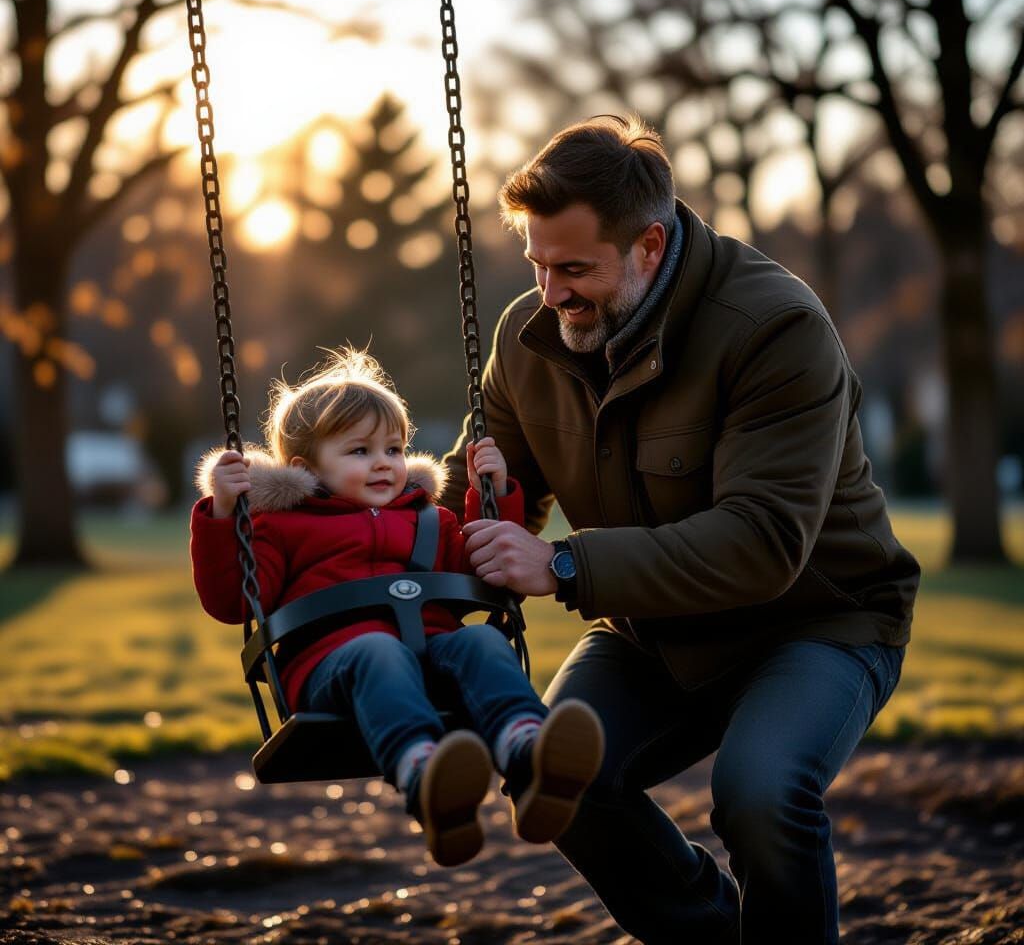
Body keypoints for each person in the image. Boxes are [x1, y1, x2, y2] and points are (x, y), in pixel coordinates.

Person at [439, 116, 920, 942]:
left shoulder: (774, 328)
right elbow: (473, 498)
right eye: (537, 263)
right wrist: (360, 539)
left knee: (761, 793)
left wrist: (558, 566)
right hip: (652, 631)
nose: (550, 292)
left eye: (575, 269)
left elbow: (763, 541)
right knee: (553, 775)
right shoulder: (531, 339)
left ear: (650, 248)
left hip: (817, 621)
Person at [189, 349, 604, 868]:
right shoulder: (280, 526)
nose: (384, 462)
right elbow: (233, 602)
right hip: (333, 672)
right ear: (305, 468)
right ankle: (426, 776)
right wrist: (225, 517)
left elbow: (492, 574)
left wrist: (491, 495)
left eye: (394, 447)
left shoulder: (430, 521)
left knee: (480, 640)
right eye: (359, 450)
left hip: (431, 657)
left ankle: (530, 754)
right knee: (376, 651)